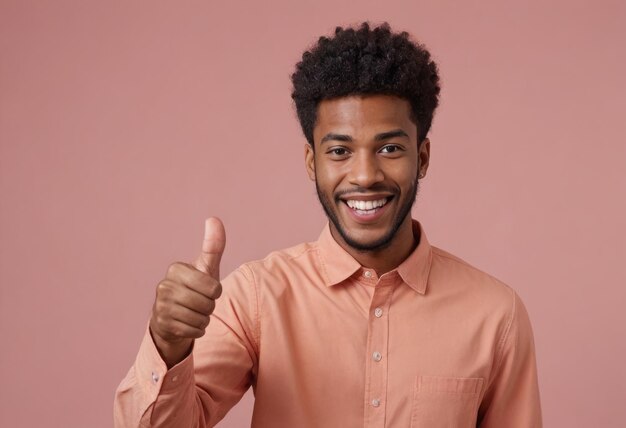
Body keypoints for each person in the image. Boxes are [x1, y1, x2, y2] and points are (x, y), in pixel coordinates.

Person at [114, 22, 542, 427]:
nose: (363, 175)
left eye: (390, 147)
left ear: (423, 157)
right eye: (339, 151)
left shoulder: (495, 315)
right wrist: (168, 344)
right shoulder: (257, 299)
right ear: (311, 162)